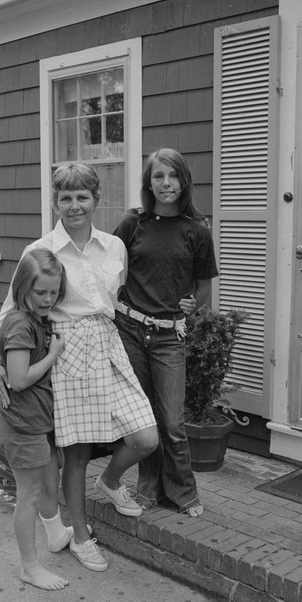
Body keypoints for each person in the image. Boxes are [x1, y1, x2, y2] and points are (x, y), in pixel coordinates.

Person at [0, 163, 159, 573]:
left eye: (82, 197)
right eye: (65, 198)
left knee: (145, 436)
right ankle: (80, 537)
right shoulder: (40, 250)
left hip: (107, 344)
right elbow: (8, 311)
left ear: (96, 199)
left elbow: (116, 302)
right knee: (76, 453)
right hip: (64, 352)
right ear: (55, 201)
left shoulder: (113, 247)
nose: (74, 205)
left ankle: (111, 481)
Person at [113, 149, 219, 517]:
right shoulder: (132, 225)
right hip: (129, 331)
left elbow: (203, 291)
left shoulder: (197, 230)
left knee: (173, 422)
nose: (166, 184)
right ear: (149, 183)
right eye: (158, 177)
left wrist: (192, 306)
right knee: (144, 419)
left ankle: (183, 493)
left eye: (173, 176)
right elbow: (110, 270)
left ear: (184, 181)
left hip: (168, 337)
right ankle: (148, 490)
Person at [0, 249, 71, 590]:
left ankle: (52, 540)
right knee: (28, 495)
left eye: (54, 292)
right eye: (40, 292)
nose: (48, 299)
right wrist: (54, 355)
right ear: (23, 287)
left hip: (33, 423)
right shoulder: (20, 325)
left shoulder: (35, 320)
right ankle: (29, 566)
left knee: (43, 484)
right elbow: (19, 379)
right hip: (21, 425)